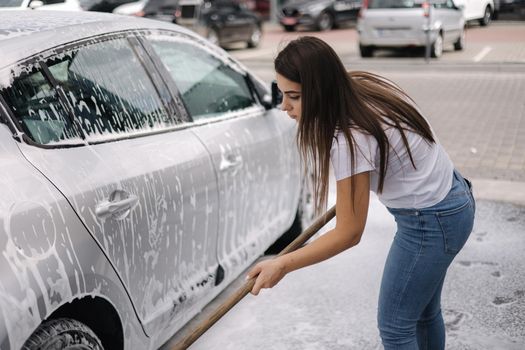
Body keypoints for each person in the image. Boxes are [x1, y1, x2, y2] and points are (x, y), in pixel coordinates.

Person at [245, 36, 475, 350]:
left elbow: (349, 233)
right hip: (452, 200)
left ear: (322, 90)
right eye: (281, 93)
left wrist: (282, 264)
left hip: (430, 223)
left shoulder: (349, 137)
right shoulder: (359, 86)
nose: (285, 106)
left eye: (294, 97)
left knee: (395, 328)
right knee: (421, 314)